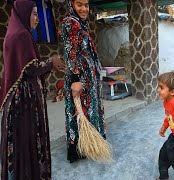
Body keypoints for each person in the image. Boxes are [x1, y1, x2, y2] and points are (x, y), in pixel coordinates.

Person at [0, 0, 65, 179]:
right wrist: (51, 62)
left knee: (22, 144)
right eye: (35, 14)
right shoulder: (22, 35)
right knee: (27, 143)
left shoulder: (15, 33)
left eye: (38, 14)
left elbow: (27, 66)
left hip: (18, 102)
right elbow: (31, 69)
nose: (37, 19)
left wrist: (49, 63)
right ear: (24, 13)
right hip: (23, 104)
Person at [60, 0, 107, 163]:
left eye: (86, 5)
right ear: (71, 4)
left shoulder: (80, 24)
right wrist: (75, 79)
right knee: (79, 112)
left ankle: (90, 145)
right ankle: (80, 148)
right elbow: (70, 52)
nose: (84, 8)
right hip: (80, 79)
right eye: (79, 4)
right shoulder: (70, 23)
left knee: (89, 110)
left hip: (88, 80)